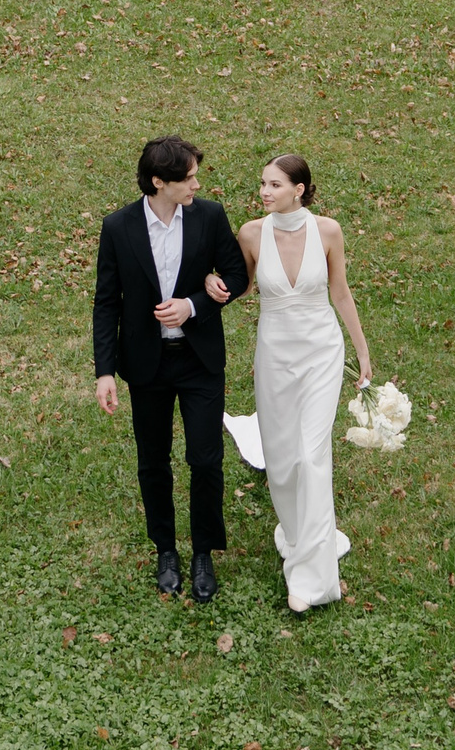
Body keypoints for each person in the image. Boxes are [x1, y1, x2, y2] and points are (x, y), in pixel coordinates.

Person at [93, 135, 249, 603]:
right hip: (147, 364)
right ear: (159, 181)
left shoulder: (210, 216)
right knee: (153, 461)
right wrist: (104, 371)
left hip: (200, 360)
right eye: (189, 178)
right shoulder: (118, 227)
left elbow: (237, 275)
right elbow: (107, 303)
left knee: (206, 459)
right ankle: (166, 549)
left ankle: (203, 552)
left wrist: (194, 304)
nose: (197, 185)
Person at [234, 153, 373, 614]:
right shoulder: (251, 234)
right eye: (262, 183)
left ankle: (312, 580)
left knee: (312, 456)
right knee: (281, 460)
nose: (264, 192)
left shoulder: (327, 231)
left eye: (274, 184)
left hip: (321, 354)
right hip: (275, 355)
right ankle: (298, 534)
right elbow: (242, 287)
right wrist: (209, 289)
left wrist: (362, 352)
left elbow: (340, 292)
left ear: (299, 189)